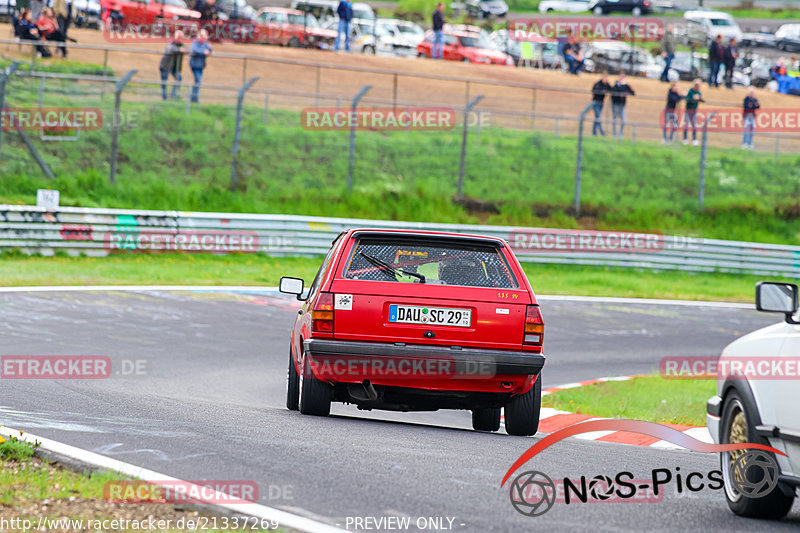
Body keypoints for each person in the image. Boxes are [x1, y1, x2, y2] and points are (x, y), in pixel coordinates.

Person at [160, 30, 185, 100]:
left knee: (179, 78)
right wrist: (180, 50)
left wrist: (182, 49)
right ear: (175, 37)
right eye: (179, 38)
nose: (180, 40)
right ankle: (164, 98)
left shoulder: (181, 45)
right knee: (164, 82)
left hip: (174, 67)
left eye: (181, 38)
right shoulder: (170, 44)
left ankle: (173, 95)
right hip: (165, 66)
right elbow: (171, 49)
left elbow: (187, 49)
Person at [189, 29, 212, 104]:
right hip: (195, 65)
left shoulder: (205, 43)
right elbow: (195, 50)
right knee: (199, 81)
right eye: (202, 37)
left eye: (205, 37)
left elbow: (209, 49)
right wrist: (204, 51)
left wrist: (208, 51)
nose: (204, 38)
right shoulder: (195, 41)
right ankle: (195, 99)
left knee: (197, 82)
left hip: (201, 65)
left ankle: (193, 98)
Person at [611, 73, 635, 139]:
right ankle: (615, 135)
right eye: (621, 78)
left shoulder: (626, 86)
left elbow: (633, 92)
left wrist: (626, 92)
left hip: (622, 105)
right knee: (615, 120)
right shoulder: (616, 85)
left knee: (623, 120)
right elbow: (613, 92)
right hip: (615, 104)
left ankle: (621, 134)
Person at [683, 78, 705, 146]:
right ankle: (685, 139)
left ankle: (694, 139)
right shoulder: (690, 91)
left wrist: (700, 98)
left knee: (694, 126)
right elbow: (686, 99)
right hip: (688, 110)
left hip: (694, 111)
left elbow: (703, 100)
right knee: (686, 125)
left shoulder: (698, 92)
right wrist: (693, 98)